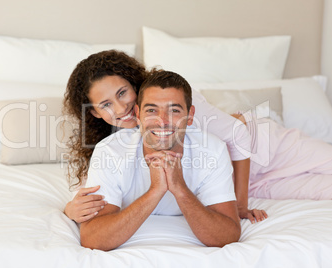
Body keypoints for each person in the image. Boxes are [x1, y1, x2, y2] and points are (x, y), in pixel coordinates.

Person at [63, 50, 332, 224]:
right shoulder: (112, 144)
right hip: (247, 182)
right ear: (95, 113)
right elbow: (101, 189)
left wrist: (239, 206)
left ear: (134, 84)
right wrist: (70, 210)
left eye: (122, 93)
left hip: (266, 147)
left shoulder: (170, 98)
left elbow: (238, 133)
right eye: (106, 104)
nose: (120, 108)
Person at [79, 70, 241, 250]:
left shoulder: (213, 150)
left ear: (190, 115)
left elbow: (228, 235)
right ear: (138, 114)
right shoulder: (110, 151)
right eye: (151, 110)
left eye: (174, 110)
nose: (162, 121)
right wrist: (155, 191)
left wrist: (180, 188)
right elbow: (93, 238)